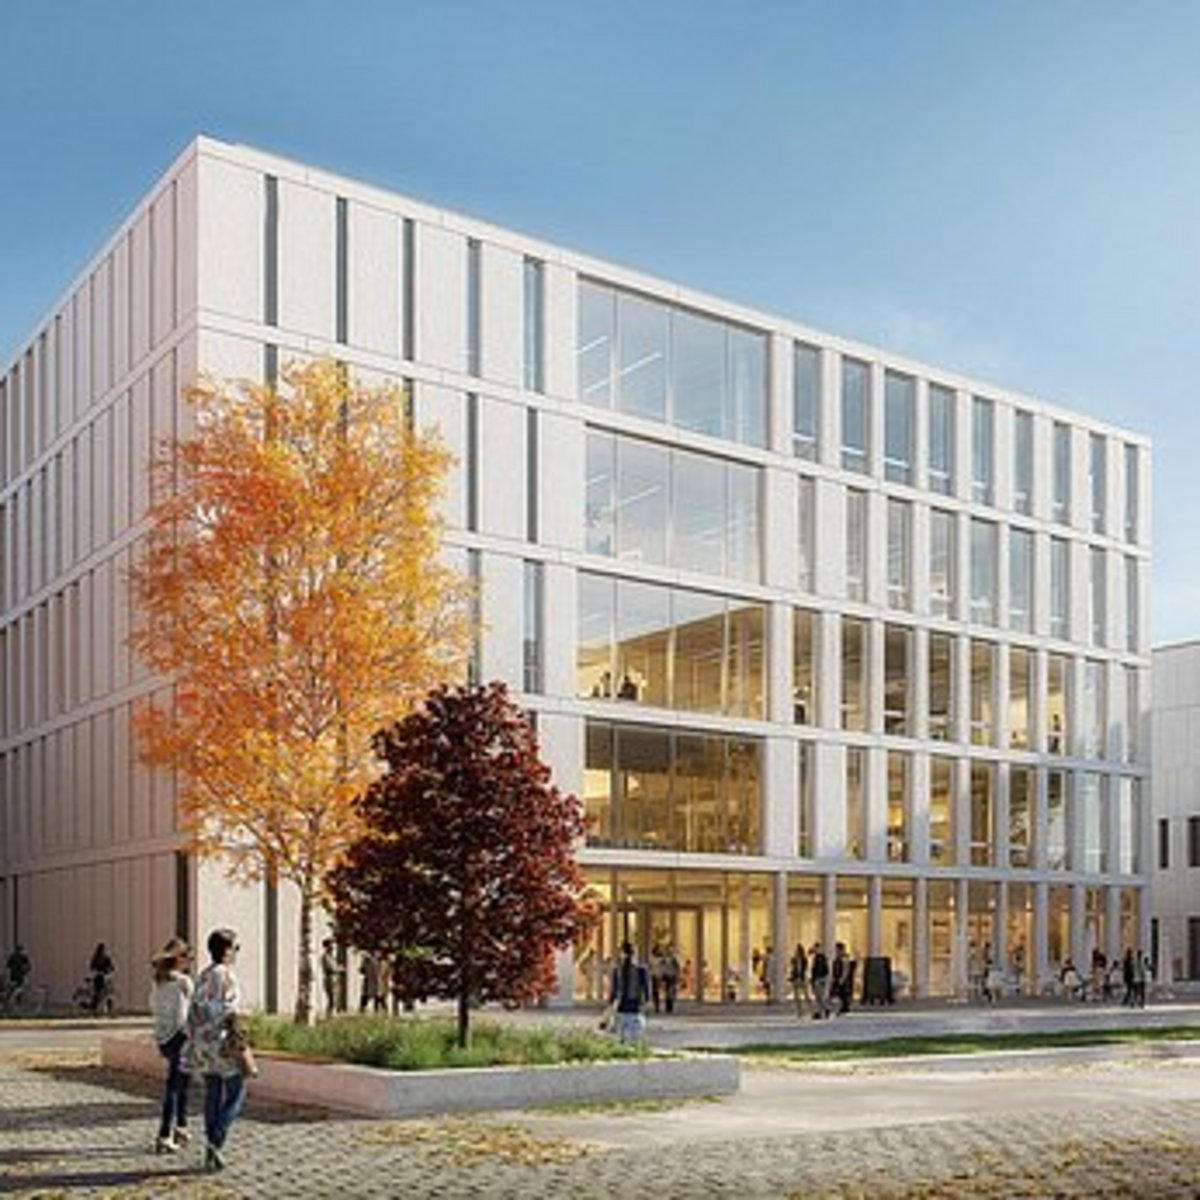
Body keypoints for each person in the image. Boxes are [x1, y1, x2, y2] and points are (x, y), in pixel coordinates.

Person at [188, 928, 250, 1173]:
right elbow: (230, 1013)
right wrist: (241, 1042)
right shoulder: (227, 976)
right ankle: (216, 1141)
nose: (236, 953)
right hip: (222, 1043)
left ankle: (210, 1148)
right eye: (236, 948)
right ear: (226, 950)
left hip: (203, 1044)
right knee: (237, 1090)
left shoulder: (202, 976)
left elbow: (192, 1013)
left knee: (213, 1093)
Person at [150, 937, 193, 1154]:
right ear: (177, 959)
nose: (189, 960)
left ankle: (182, 1127)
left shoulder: (158, 981)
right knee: (175, 1086)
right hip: (180, 1037)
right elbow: (191, 1011)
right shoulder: (183, 982)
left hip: (163, 1038)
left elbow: (155, 1009)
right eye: (186, 956)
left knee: (182, 1082)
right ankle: (165, 1134)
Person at [608, 941, 650, 1044]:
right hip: (633, 1009)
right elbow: (647, 991)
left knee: (623, 1039)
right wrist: (646, 1002)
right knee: (634, 1039)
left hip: (624, 1009)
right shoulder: (641, 970)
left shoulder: (618, 970)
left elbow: (613, 992)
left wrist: (610, 1005)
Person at [89, 943, 116, 1013]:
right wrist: (97, 972)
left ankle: (108, 1006)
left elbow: (112, 968)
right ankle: (94, 1005)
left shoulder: (106, 959)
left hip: (105, 977)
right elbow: (92, 967)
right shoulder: (96, 958)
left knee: (107, 991)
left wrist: (109, 972)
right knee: (98, 990)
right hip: (98, 978)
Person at [320, 938, 343, 1017]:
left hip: (334, 979)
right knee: (332, 998)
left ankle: (333, 1014)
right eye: (331, 944)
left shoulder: (332, 957)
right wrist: (339, 968)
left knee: (335, 998)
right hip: (330, 979)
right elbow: (332, 968)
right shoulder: (326, 957)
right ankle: (329, 1015)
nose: (333, 947)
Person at [831, 942, 855, 1015]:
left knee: (842, 995)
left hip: (842, 981)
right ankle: (840, 1008)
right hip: (838, 979)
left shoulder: (844, 958)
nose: (836, 951)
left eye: (837, 949)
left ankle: (844, 1008)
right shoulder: (838, 958)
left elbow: (845, 970)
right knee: (837, 995)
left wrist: (842, 979)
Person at [809, 942, 830, 1019]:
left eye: (816, 948)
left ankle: (824, 1010)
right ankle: (821, 1011)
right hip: (817, 979)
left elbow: (825, 969)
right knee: (818, 998)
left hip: (819, 979)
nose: (815, 950)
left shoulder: (821, 958)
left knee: (820, 997)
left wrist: (823, 979)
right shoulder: (816, 957)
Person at [789, 943, 809, 1017]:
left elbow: (805, 969)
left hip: (802, 978)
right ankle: (799, 1011)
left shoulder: (804, 960)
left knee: (806, 995)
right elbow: (793, 969)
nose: (797, 952)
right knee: (797, 997)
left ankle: (808, 1009)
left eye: (798, 951)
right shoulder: (794, 959)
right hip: (796, 979)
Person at [659, 946, 681, 1014]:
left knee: (670, 992)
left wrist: (677, 975)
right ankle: (668, 1006)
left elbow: (677, 968)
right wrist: (662, 976)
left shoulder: (674, 959)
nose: (670, 952)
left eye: (671, 951)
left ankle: (670, 1006)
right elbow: (662, 968)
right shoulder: (664, 959)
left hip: (672, 977)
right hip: (667, 977)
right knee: (668, 992)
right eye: (669, 951)